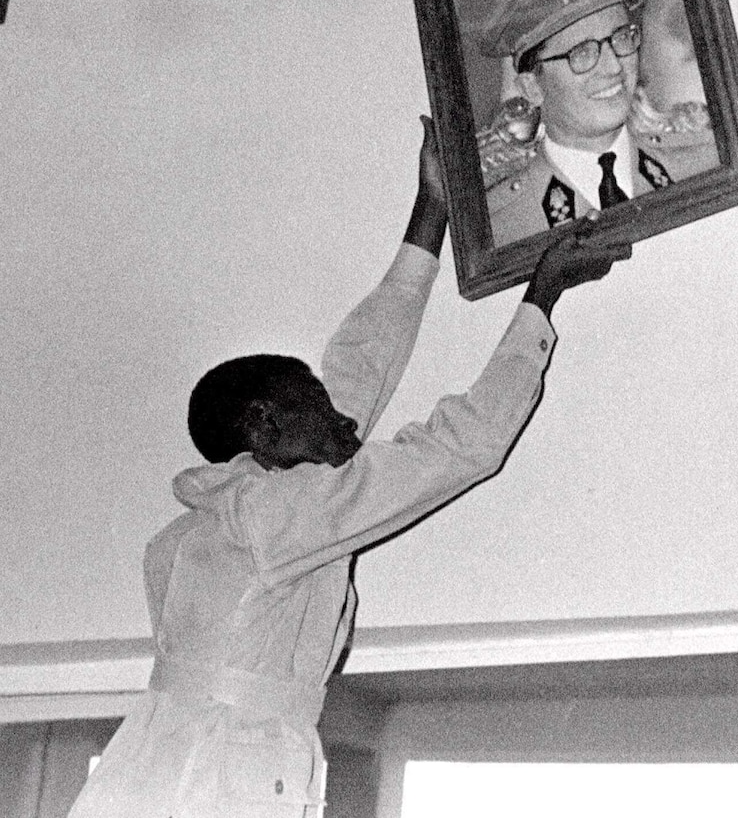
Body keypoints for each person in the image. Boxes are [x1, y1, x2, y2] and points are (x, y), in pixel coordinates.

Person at [68, 118, 630, 818]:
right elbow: (461, 449)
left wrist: (433, 207)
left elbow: (359, 367)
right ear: (264, 424)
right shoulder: (274, 517)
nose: (345, 421)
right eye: (319, 407)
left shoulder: (240, 513)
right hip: (218, 773)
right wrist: (542, 298)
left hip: (185, 762)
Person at [478, 0, 719, 247]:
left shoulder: (703, 163)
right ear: (533, 86)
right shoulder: (502, 228)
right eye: (582, 53)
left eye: (621, 38)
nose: (614, 66)